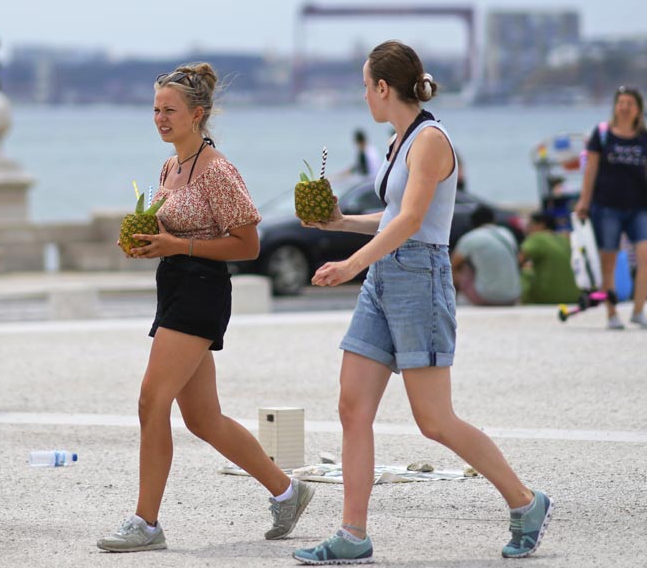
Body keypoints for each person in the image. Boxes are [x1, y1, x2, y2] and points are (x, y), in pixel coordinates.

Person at [298, 41, 551, 563]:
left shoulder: (430, 140)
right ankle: (352, 534)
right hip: (386, 277)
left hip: (420, 276)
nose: (363, 95)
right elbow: (394, 216)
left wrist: (350, 264)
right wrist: (340, 223)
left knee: (434, 420)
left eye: (366, 86)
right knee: (352, 407)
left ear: (383, 88)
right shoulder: (399, 141)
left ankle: (526, 502)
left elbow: (413, 222)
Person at [96, 63, 315, 553]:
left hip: (202, 290)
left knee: (151, 401)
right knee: (202, 418)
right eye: (155, 109)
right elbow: (173, 236)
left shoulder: (218, 171)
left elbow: (249, 245)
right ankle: (287, 490)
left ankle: (146, 523)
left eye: (169, 110)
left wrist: (178, 245)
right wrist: (150, 243)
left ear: (198, 115)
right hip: (174, 285)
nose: (159, 118)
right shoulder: (170, 167)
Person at [574, 86, 647, 329]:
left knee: (645, 256)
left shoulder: (644, 135)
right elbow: (591, 169)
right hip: (607, 207)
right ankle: (612, 313)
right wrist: (584, 201)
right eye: (621, 103)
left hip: (640, 206)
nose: (624, 107)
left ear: (638, 109)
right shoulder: (603, 134)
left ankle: (638, 310)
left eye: (630, 103)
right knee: (609, 262)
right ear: (615, 106)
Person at [451, 206, 521, 306]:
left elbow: (452, 266)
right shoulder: (507, 234)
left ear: (472, 222)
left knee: (463, 268)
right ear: (494, 219)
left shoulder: (470, 237)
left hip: (486, 297)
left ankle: (456, 301)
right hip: (513, 296)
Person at [518, 212, 580, 305]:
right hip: (574, 295)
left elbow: (518, 261)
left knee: (526, 273)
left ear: (541, 225)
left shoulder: (537, 238)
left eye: (530, 225)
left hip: (548, 296)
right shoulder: (563, 238)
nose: (527, 229)